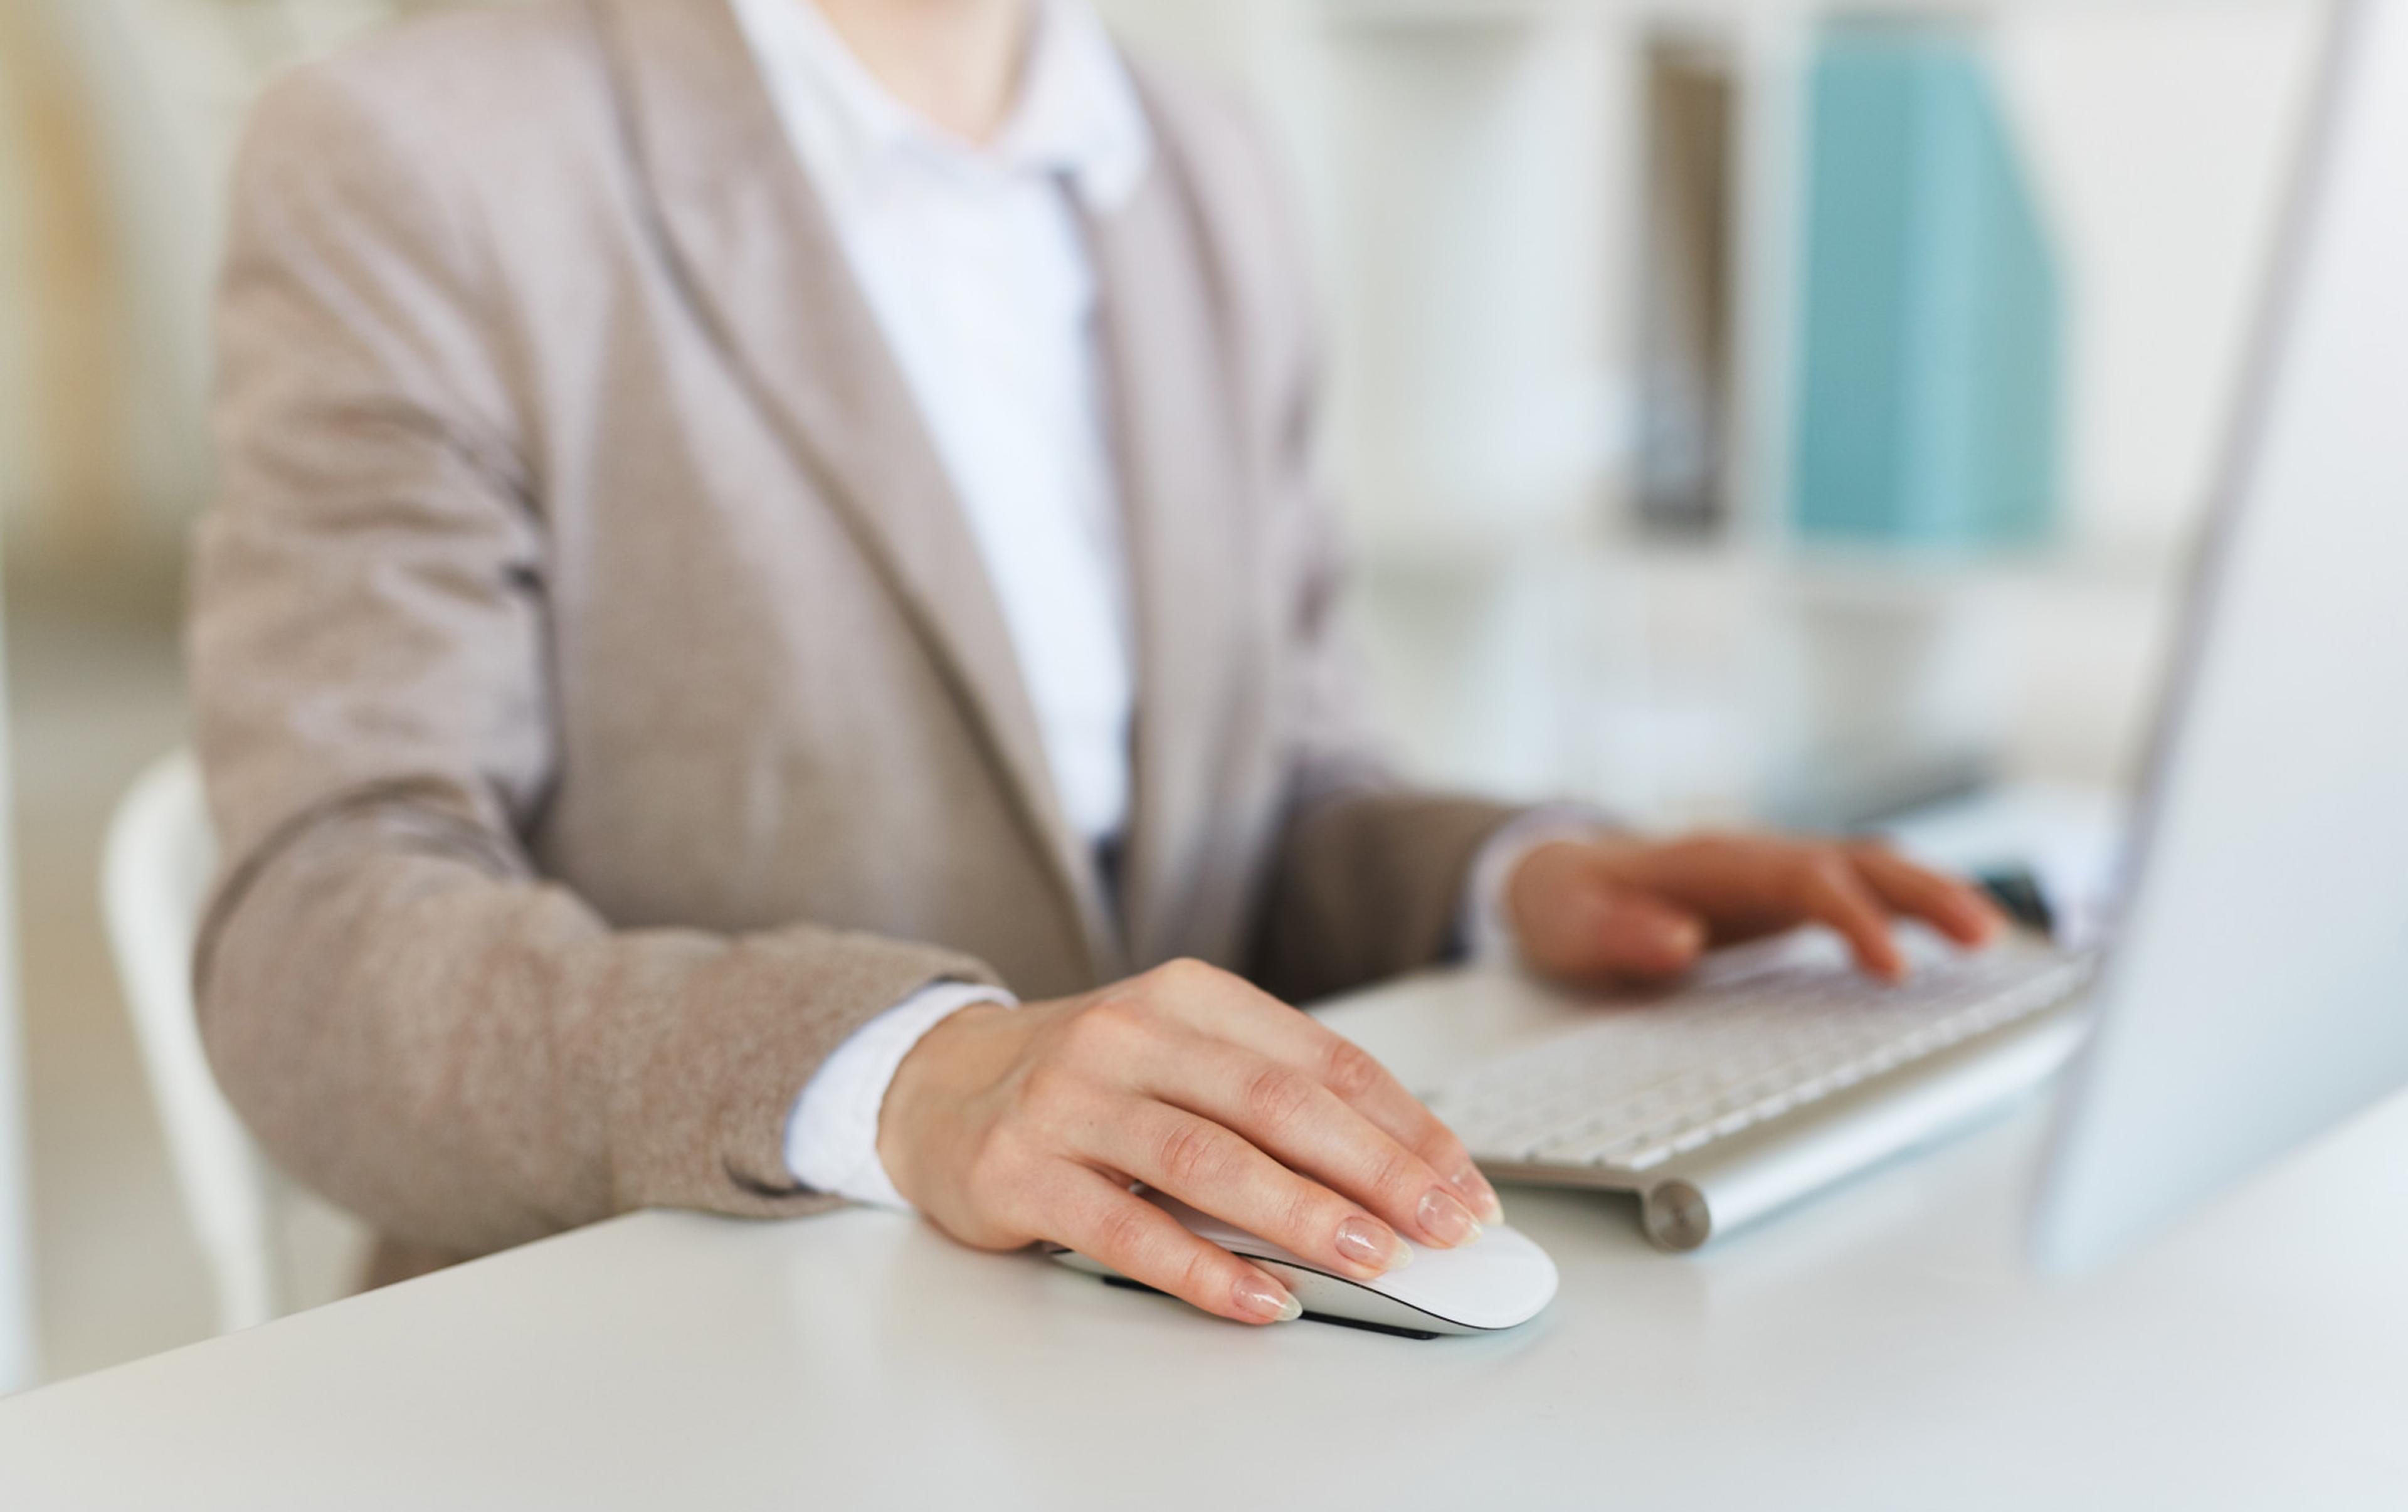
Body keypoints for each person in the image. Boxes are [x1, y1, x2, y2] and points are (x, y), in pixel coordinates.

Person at [189, 0, 2003, 1326]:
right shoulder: (417, 155)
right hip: (665, 1363)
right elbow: (317, 936)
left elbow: (1279, 794)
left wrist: (1519, 878)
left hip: (1150, 1343)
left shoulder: (1200, 165)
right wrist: (906, 1071)